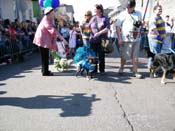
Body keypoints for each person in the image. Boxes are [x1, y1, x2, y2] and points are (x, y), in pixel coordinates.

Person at [33, 7, 68, 76]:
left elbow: (54, 29)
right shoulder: (46, 20)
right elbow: (53, 30)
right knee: (45, 56)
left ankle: (44, 70)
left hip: (43, 39)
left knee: (45, 56)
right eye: (52, 13)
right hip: (42, 39)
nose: (53, 13)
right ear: (49, 13)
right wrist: (62, 39)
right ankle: (45, 72)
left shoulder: (49, 19)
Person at [116, 0, 142, 78]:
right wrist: (119, 38)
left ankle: (135, 71)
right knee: (124, 56)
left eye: (129, 7)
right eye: (127, 7)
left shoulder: (138, 13)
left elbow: (139, 24)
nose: (128, 9)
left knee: (135, 56)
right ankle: (121, 67)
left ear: (134, 7)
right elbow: (117, 27)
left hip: (136, 38)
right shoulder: (122, 14)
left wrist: (140, 24)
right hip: (126, 39)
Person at [88, 4, 110, 74]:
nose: (94, 10)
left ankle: (102, 70)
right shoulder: (93, 18)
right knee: (93, 55)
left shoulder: (105, 18)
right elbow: (88, 27)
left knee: (101, 56)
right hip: (93, 40)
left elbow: (107, 28)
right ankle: (94, 69)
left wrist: (99, 33)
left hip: (102, 40)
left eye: (95, 9)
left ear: (99, 10)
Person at [147, 4, 166, 69]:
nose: (160, 10)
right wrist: (158, 35)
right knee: (156, 54)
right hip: (154, 38)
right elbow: (153, 28)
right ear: (154, 10)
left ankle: (152, 67)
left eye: (161, 9)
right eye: (158, 9)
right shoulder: (153, 18)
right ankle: (153, 68)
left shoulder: (160, 17)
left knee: (156, 54)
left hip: (160, 39)